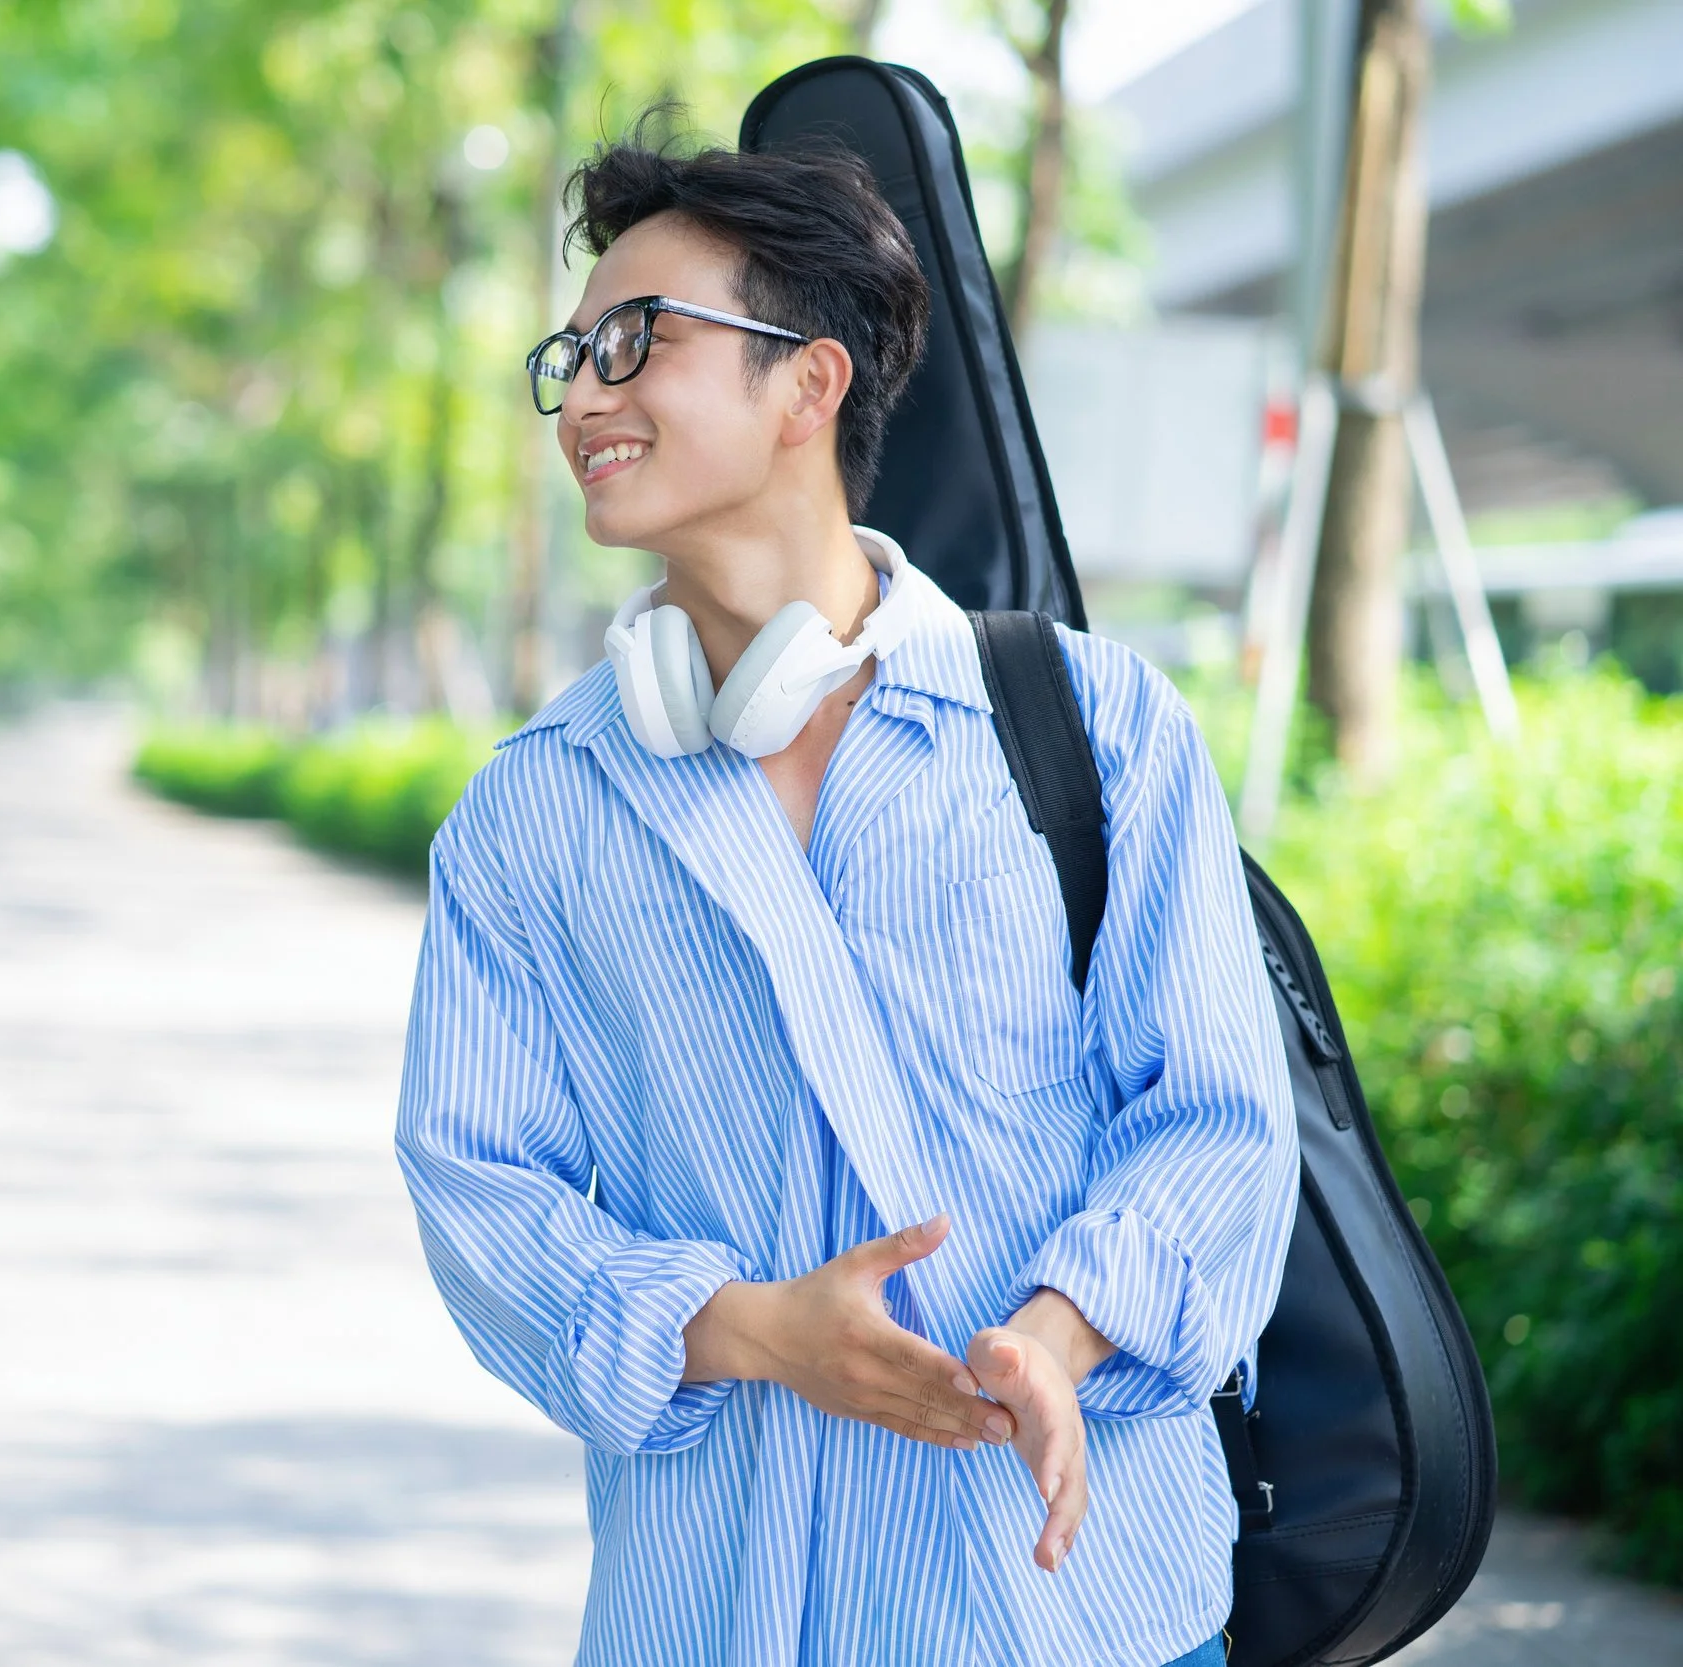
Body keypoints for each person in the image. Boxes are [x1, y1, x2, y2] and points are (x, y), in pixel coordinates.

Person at [393, 128, 1299, 1667]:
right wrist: (749, 1331)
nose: (588, 394)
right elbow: (481, 1188)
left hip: (1075, 1606)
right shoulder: (534, 812)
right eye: (572, 356)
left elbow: (1216, 1118)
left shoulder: (1092, 724)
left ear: (809, 386)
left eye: (637, 342)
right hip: (716, 1611)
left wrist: (1060, 1336)